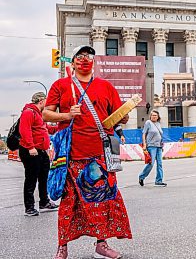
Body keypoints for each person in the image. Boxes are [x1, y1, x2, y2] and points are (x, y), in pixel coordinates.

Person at [43, 45, 132, 259]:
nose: (85, 60)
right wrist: (66, 115)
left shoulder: (106, 87)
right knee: (68, 204)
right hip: (71, 156)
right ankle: (62, 246)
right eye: (80, 56)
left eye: (89, 56)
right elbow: (46, 114)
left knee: (102, 201)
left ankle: (102, 244)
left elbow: (120, 117)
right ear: (72, 63)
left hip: (101, 155)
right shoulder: (61, 85)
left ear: (94, 62)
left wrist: (123, 116)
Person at [18, 92, 59, 216]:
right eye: (46, 101)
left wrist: (60, 126)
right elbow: (24, 130)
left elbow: (46, 129)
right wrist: (31, 147)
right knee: (31, 179)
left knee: (43, 177)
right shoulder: (29, 112)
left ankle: (44, 202)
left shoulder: (38, 114)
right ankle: (29, 208)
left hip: (41, 151)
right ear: (41, 101)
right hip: (31, 151)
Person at [138, 110, 167, 187]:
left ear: (158, 117)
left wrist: (161, 144)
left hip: (159, 146)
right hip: (151, 146)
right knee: (151, 163)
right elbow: (144, 134)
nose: (154, 117)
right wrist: (144, 144)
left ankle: (159, 180)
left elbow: (160, 135)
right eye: (152, 115)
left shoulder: (158, 124)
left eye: (155, 115)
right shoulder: (148, 123)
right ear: (150, 116)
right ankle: (142, 176)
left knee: (160, 164)